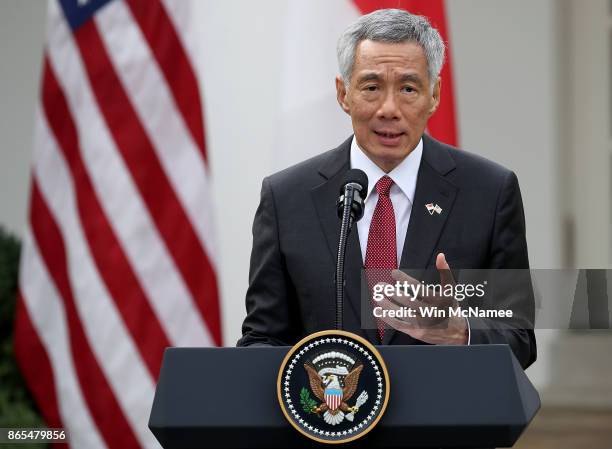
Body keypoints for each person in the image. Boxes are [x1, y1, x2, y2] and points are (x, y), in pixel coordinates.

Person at [237, 8, 536, 369]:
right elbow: (261, 340)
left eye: (408, 88)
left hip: (444, 419)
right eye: (372, 87)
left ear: (434, 95)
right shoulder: (286, 199)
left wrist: (460, 332)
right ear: (343, 93)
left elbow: (520, 338)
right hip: (330, 415)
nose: (389, 109)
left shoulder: (488, 193)